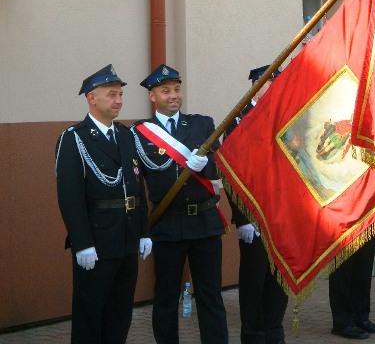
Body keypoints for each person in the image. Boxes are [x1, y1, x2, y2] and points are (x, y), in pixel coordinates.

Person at [55, 64, 151, 344]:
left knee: (120, 313)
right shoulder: (74, 138)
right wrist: (82, 242)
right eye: (112, 94)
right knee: (90, 314)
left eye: (120, 94)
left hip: (127, 238)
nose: (118, 100)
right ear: (91, 98)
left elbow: (136, 186)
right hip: (97, 241)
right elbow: (69, 196)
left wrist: (144, 231)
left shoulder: (125, 135)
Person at [132, 64, 227, 344]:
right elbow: (136, 186)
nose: (173, 95)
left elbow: (221, 167)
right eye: (165, 91)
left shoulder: (202, 124)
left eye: (176, 89)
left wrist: (205, 164)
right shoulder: (139, 133)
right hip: (167, 224)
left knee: (210, 296)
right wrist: (142, 230)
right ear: (152, 96)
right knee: (165, 297)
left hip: (204, 224)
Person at [225, 65, 288, 344]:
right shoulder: (238, 121)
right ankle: (253, 336)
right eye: (271, 83)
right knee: (254, 279)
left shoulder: (285, 118)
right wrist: (243, 219)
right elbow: (231, 175)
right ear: (256, 85)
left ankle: (274, 331)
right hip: (254, 216)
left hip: (282, 215)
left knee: (279, 276)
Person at [329, 235, 375, 340]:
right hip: (342, 227)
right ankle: (342, 323)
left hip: (365, 224)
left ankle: (361, 317)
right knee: (342, 268)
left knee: (364, 265)